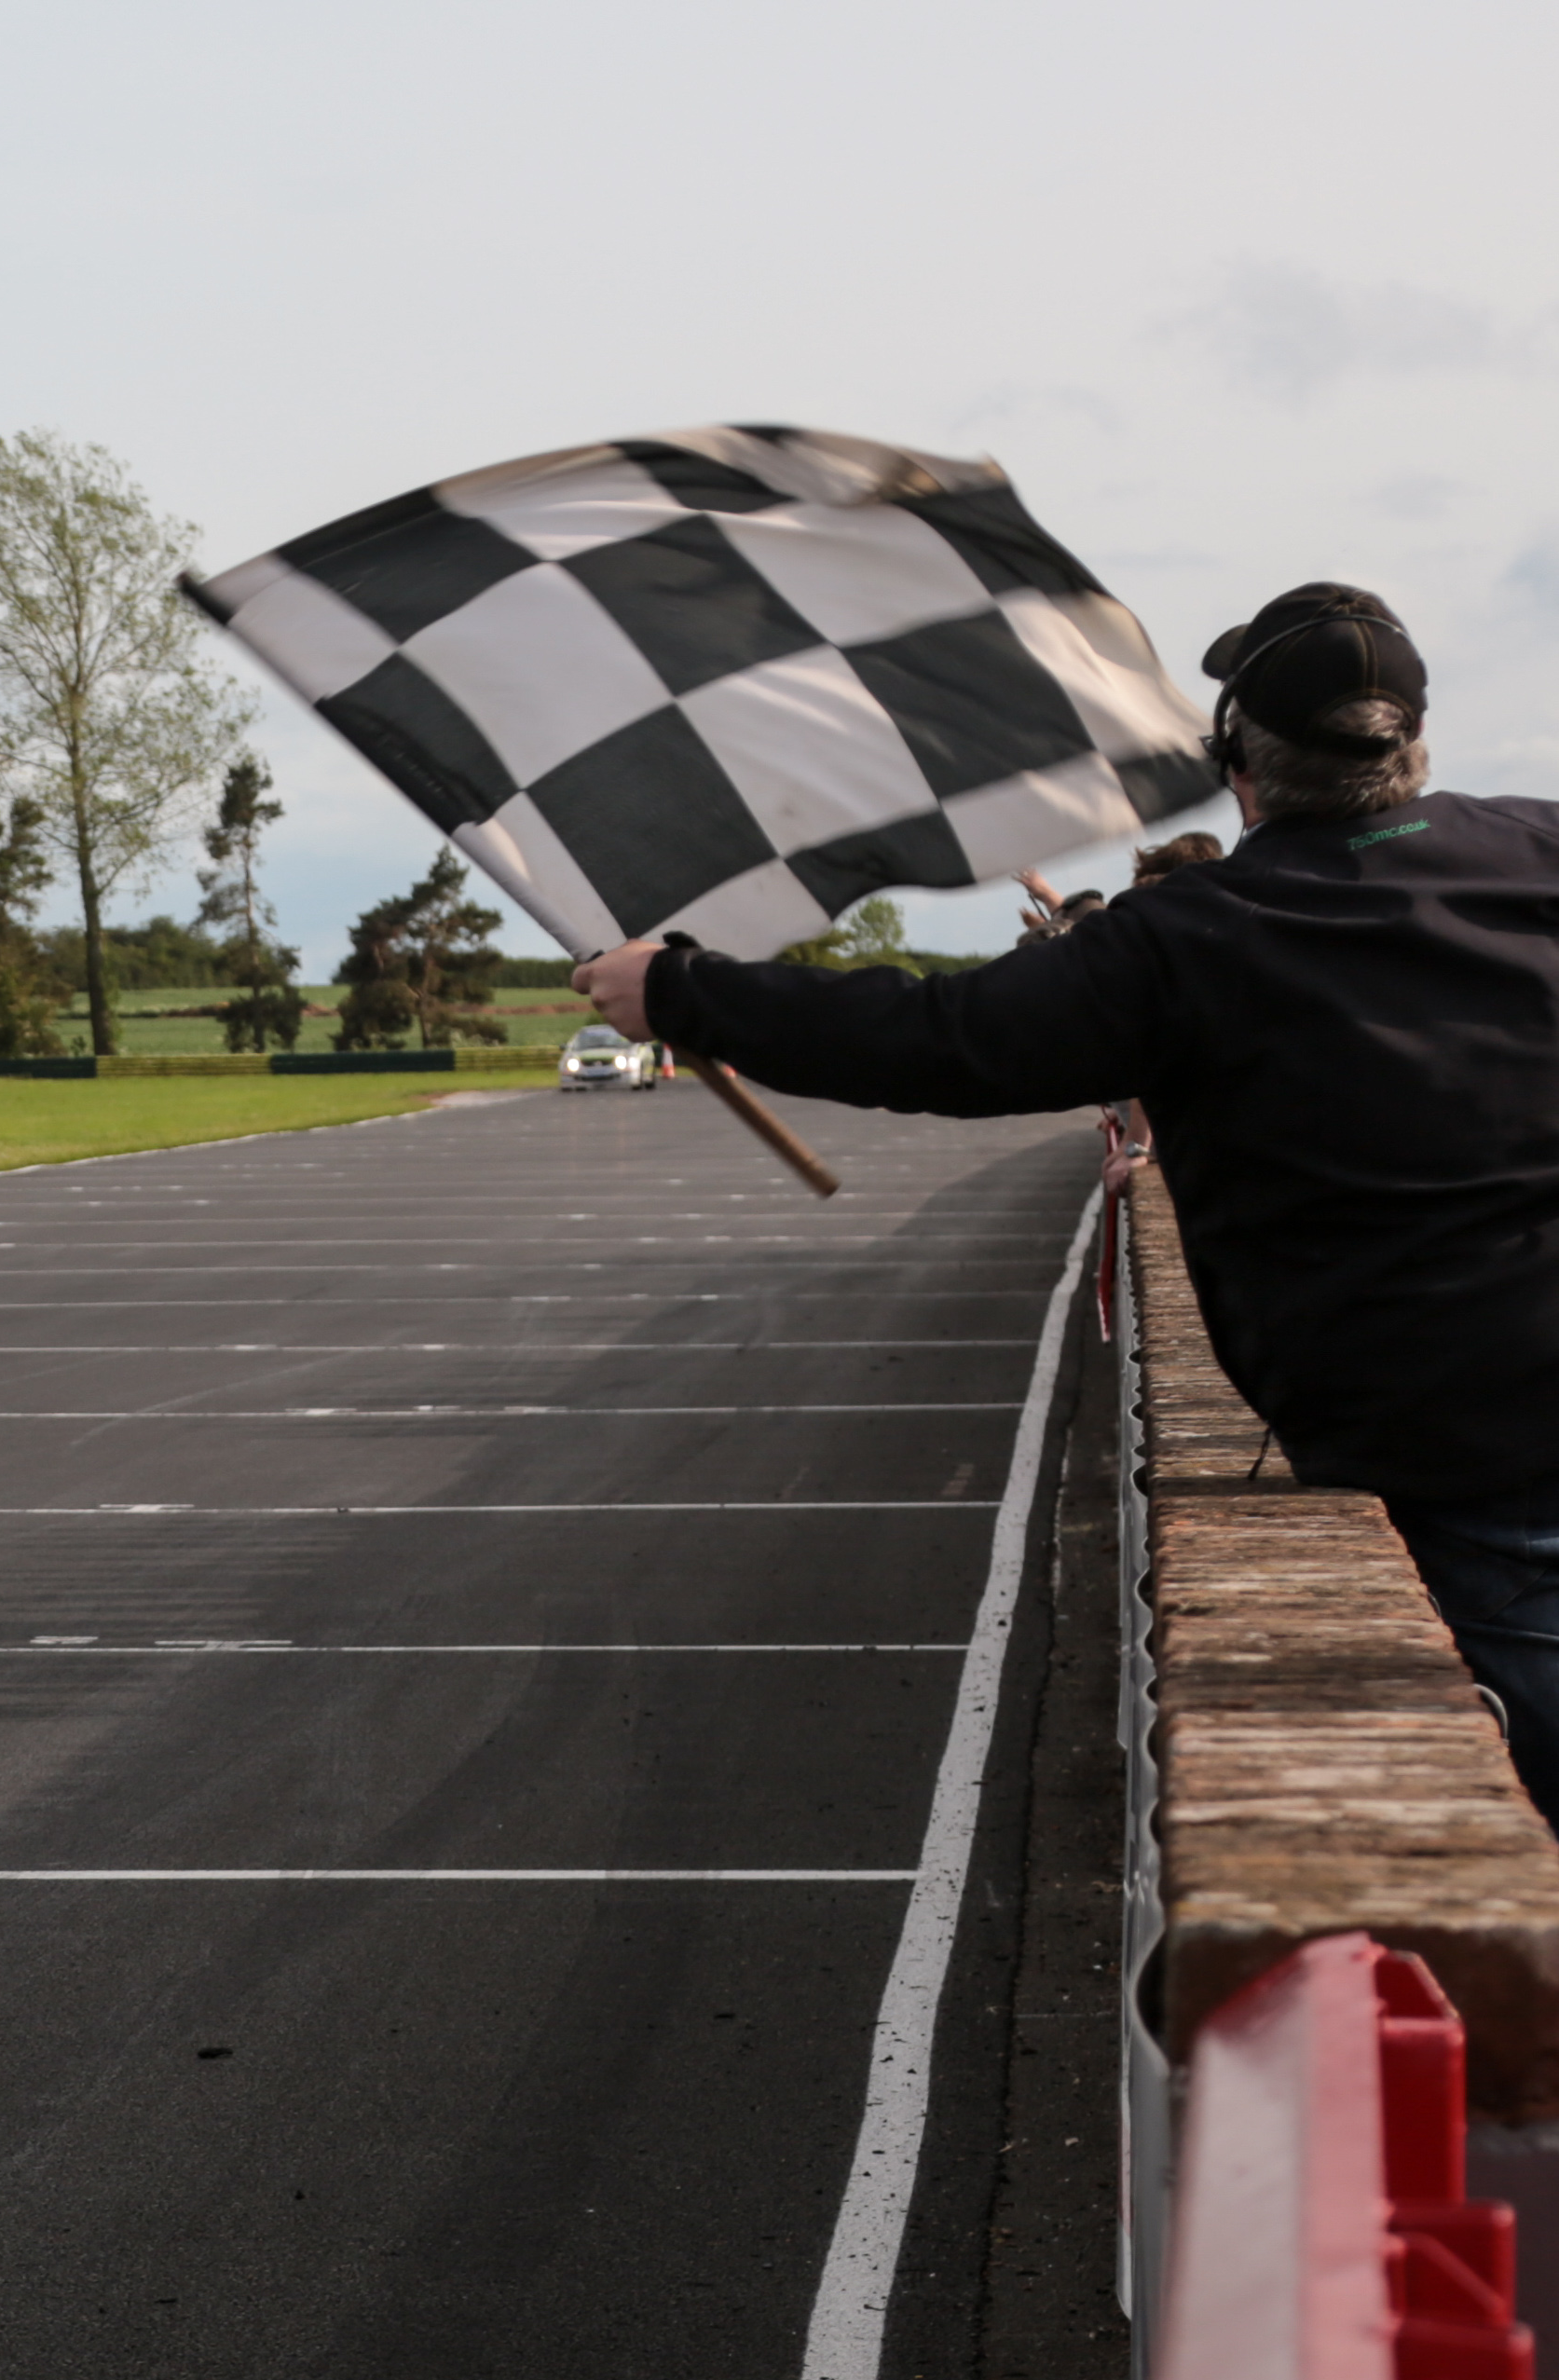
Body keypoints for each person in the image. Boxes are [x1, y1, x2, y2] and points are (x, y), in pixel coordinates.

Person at [571, 581, 1559, 1812]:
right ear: (1411, 745)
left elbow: (941, 1040)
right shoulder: (1539, 850)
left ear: (1234, 760)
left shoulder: (1189, 935)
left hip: (1460, 1465)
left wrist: (680, 991)